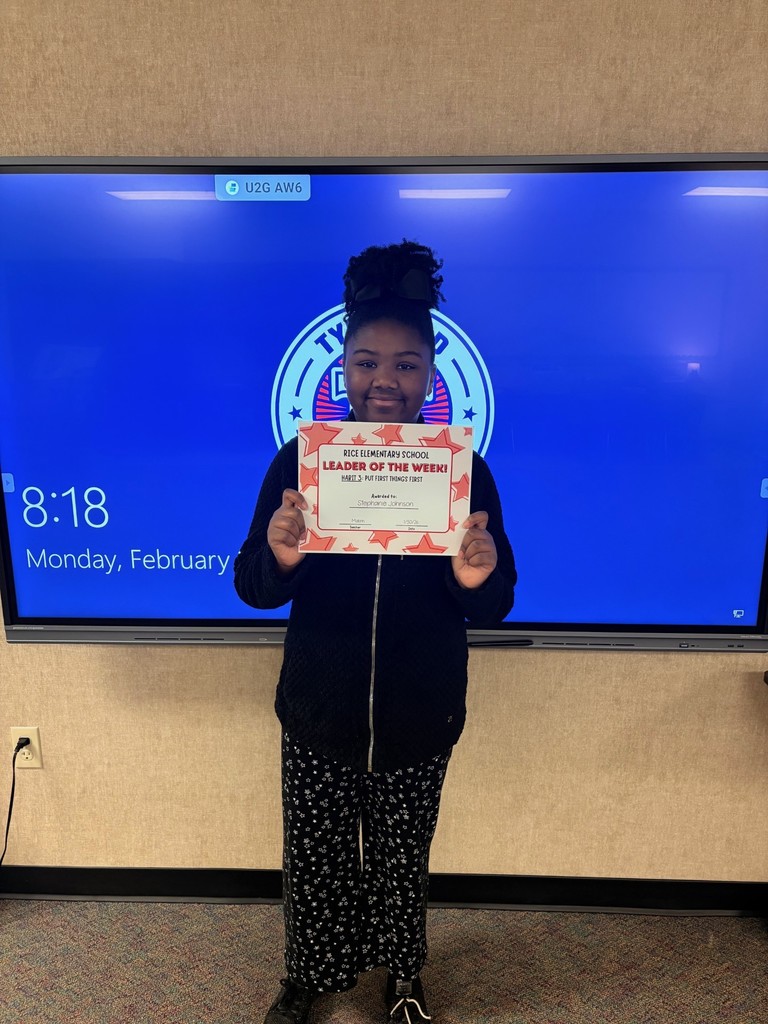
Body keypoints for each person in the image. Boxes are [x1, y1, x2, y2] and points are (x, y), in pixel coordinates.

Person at [234, 240, 517, 1024]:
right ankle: (310, 977)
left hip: (420, 712)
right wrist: (281, 556)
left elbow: (496, 601)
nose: (383, 381)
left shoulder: (466, 470)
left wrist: (475, 576)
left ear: (433, 372)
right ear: (341, 369)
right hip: (319, 709)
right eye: (365, 362)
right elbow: (251, 583)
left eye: (403, 365)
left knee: (400, 860)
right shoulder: (300, 462)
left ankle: (402, 978)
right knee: (317, 859)